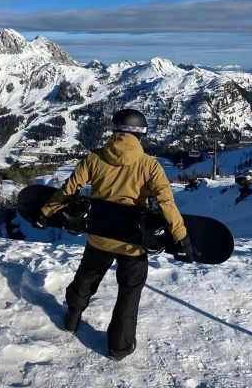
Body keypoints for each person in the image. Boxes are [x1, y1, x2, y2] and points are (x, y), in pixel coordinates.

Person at [32, 109, 196, 361]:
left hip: (100, 236)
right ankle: (119, 347)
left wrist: (46, 211)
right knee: (129, 293)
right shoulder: (150, 165)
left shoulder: (95, 157)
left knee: (86, 277)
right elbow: (165, 202)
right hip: (133, 242)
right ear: (141, 134)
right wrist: (181, 238)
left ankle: (72, 319)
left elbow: (69, 189)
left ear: (115, 130)